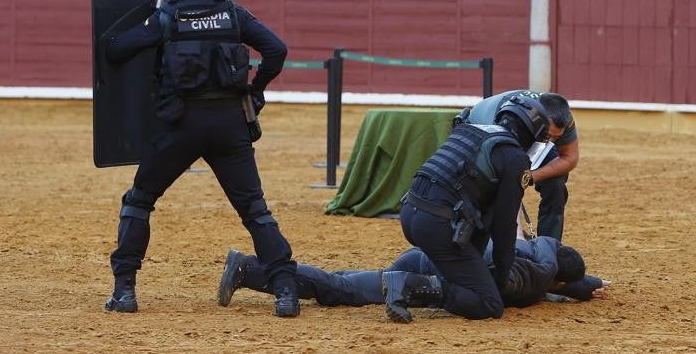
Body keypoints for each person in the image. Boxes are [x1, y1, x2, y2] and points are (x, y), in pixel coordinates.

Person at [103, 0, 300, 317]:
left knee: (139, 200)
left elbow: (115, 50)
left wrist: (139, 16)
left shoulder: (166, 19)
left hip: (180, 126)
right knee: (255, 211)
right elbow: (277, 49)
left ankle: (125, 291)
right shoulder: (233, 14)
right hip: (230, 126)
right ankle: (286, 292)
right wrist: (256, 90)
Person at [381, 95, 554, 322]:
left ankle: (411, 282)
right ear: (530, 134)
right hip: (437, 225)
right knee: (490, 303)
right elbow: (505, 226)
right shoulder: (515, 158)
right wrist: (502, 279)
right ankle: (409, 284)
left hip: (410, 212)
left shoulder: (469, 130)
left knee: (462, 274)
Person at [216, 235, 607, 312]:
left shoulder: (530, 253)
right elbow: (552, 272)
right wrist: (583, 287)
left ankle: (251, 270)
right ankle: (249, 268)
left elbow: (548, 251)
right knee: (345, 289)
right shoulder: (538, 276)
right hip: (429, 272)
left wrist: (584, 286)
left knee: (346, 284)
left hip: (425, 255)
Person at [461, 90, 577, 240]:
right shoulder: (511, 119)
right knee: (498, 185)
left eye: (557, 137)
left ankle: (549, 244)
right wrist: (518, 238)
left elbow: (570, 158)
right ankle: (504, 238)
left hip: (532, 135)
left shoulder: (564, 119)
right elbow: (506, 178)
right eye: (549, 136)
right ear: (538, 120)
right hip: (485, 133)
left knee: (556, 184)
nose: (552, 142)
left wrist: (530, 176)